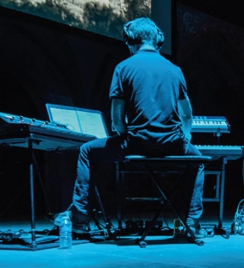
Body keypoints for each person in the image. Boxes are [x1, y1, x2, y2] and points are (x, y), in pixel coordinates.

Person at [68, 18, 206, 239]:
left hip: (136, 145)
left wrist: (123, 137)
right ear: (156, 40)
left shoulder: (124, 67)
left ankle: (79, 222)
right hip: (171, 145)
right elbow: (187, 114)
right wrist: (185, 137)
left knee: (86, 151)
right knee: (198, 162)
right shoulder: (175, 70)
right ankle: (192, 222)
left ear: (132, 41)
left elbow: (117, 117)